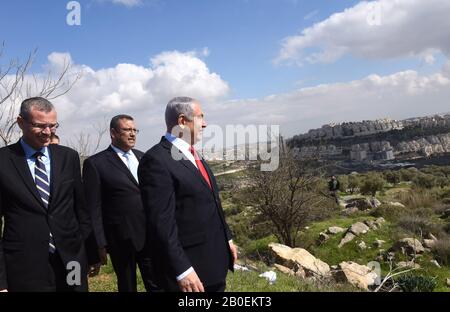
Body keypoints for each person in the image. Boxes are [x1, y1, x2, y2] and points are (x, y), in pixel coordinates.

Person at [138, 96, 237, 292]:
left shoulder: (193, 154)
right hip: (191, 271)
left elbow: (211, 201)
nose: (205, 123)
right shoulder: (156, 160)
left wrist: (228, 238)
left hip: (213, 263)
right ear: (183, 121)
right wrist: (182, 270)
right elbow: (161, 223)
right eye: (200, 117)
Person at [0, 97, 99, 292]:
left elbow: (81, 210)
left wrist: (92, 253)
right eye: (40, 126)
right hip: (25, 265)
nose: (47, 132)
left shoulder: (68, 157)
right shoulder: (3, 161)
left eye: (52, 126)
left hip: (71, 260)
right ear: (20, 122)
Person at [82, 114, 159, 292]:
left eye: (134, 130)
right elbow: (93, 208)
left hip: (149, 234)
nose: (132, 134)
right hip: (120, 238)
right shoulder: (96, 163)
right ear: (113, 133)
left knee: (156, 282)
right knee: (127, 284)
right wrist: (99, 243)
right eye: (127, 130)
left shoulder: (143, 157)